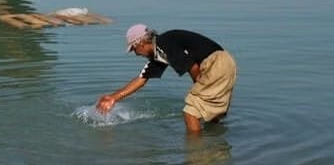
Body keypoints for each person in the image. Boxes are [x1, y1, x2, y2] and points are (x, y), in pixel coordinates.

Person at [96, 24, 237, 133]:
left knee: (190, 113)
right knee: (210, 113)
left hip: (216, 65)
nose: (135, 53)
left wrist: (198, 87)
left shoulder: (164, 45)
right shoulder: (160, 50)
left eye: (133, 49)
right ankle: (215, 143)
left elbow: (193, 67)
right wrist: (114, 97)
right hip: (223, 63)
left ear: (140, 43)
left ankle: (197, 153)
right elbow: (142, 78)